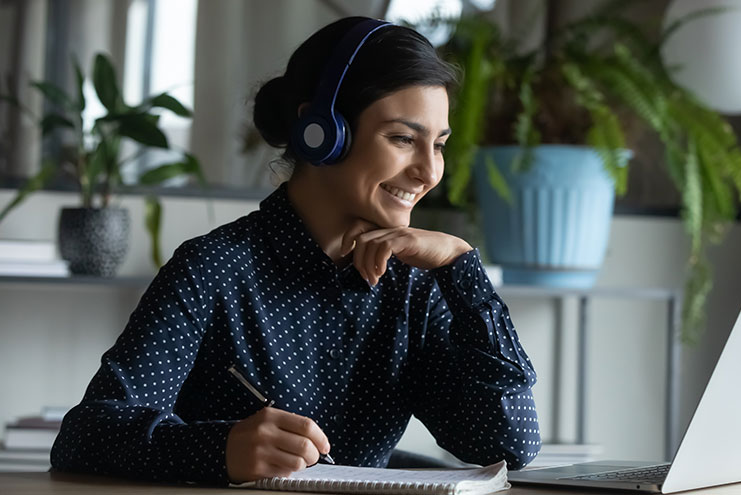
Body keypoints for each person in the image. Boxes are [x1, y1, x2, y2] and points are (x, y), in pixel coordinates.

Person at [50, 16, 541, 484]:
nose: (429, 172)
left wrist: (461, 265)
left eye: (438, 145)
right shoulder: (213, 269)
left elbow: (510, 443)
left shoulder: (415, 286)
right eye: (402, 138)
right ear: (321, 132)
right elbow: (85, 437)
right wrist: (220, 450)